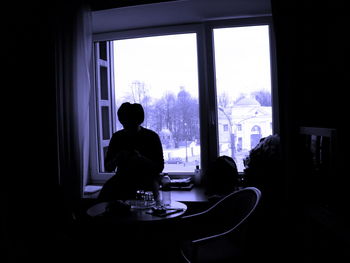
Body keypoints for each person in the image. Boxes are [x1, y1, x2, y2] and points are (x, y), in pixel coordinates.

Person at [98, 102, 164, 203]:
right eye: (125, 123)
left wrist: (140, 159)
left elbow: (160, 167)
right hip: (125, 181)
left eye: (131, 123)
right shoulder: (117, 137)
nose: (127, 126)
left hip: (145, 181)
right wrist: (117, 158)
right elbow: (108, 167)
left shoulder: (151, 137)